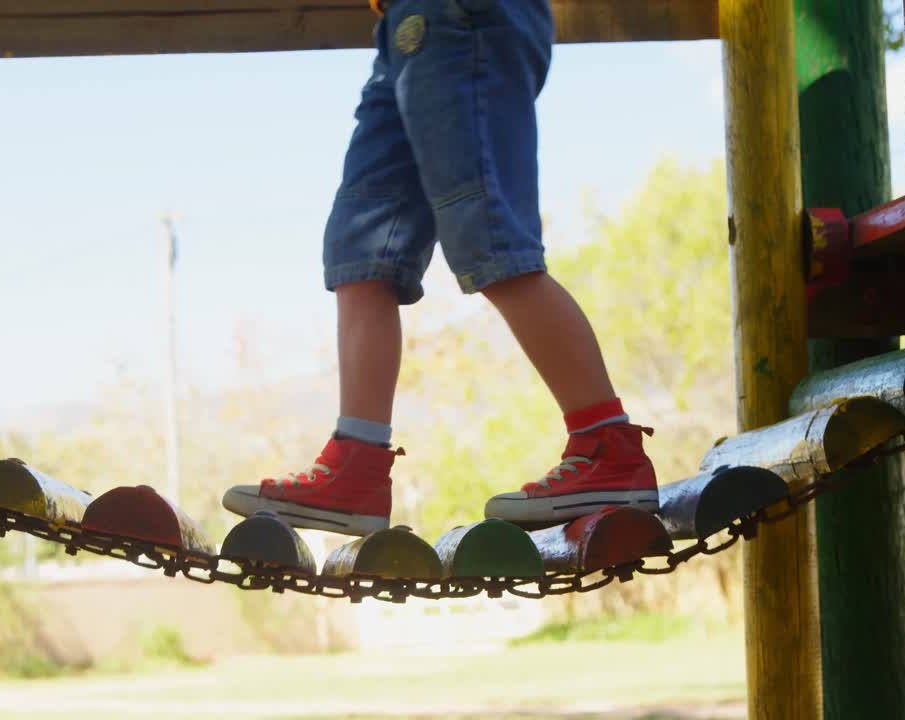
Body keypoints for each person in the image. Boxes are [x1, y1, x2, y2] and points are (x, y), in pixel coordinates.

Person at [222, 0, 657, 535]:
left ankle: (607, 446)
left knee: (490, 237)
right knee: (361, 249)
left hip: (461, 15)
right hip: (402, 27)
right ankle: (356, 466)